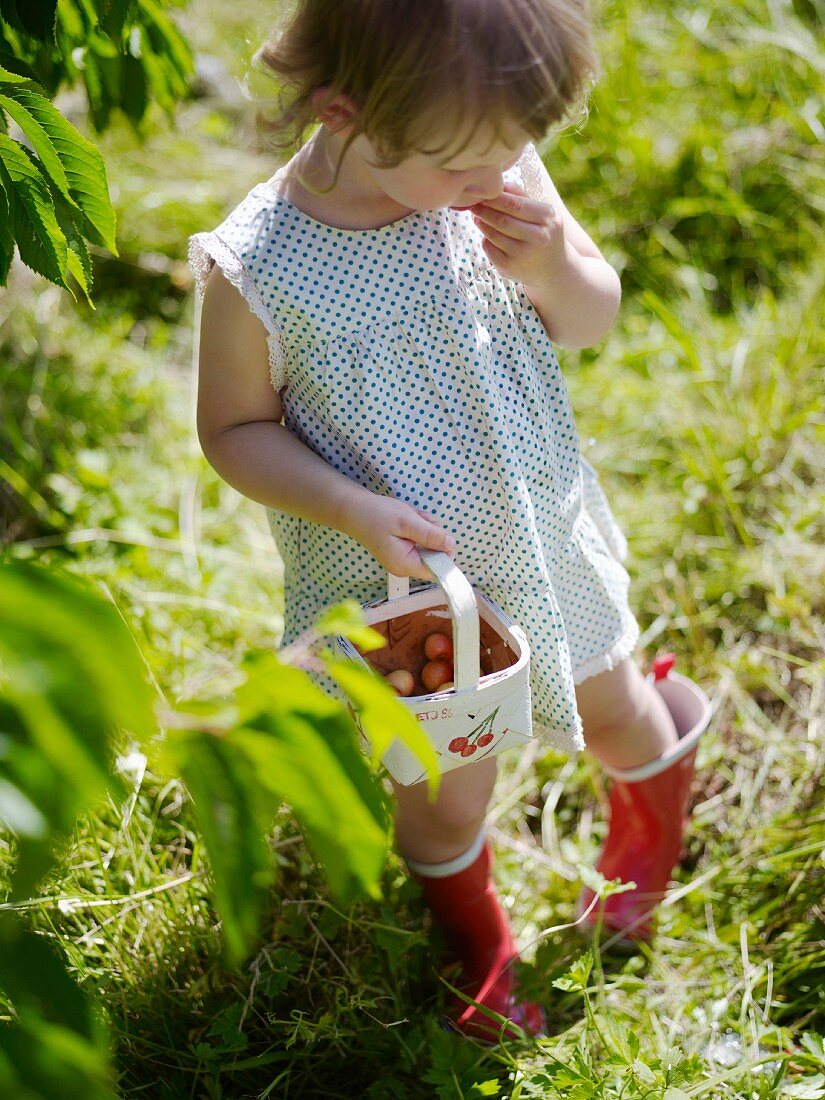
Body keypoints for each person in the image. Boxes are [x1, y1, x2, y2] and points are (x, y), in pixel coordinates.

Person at [189, 0, 711, 1043]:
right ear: (347, 114)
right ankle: (481, 945)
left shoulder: (492, 171)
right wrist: (347, 503)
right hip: (405, 587)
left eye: (516, 154)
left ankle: (649, 837)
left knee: (611, 702)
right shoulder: (262, 270)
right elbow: (233, 430)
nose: (494, 183)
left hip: (538, 536)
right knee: (441, 790)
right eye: (467, 166)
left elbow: (591, 317)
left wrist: (554, 264)